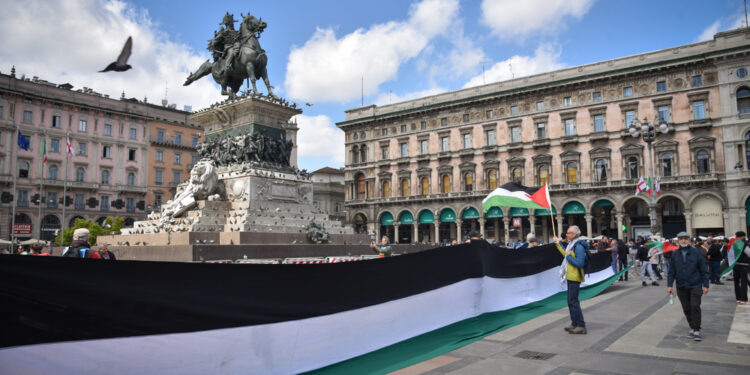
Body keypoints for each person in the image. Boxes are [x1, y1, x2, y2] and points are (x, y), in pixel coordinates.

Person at [668, 231, 709, 341]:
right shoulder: (675, 254)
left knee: (695, 306)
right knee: (686, 308)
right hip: (681, 285)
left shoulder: (696, 253)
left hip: (695, 284)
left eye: (686, 238)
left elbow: (703, 269)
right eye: (681, 239)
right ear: (678, 241)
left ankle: (696, 329)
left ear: (689, 240)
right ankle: (692, 326)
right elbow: (671, 271)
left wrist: (705, 285)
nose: (684, 240)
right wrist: (669, 285)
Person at [554, 225, 588, 335]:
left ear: (574, 234)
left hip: (575, 276)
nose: (566, 235)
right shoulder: (571, 245)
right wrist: (558, 244)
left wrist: (569, 257)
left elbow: (580, 263)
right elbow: (566, 254)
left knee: (573, 301)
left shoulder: (578, 247)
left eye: (568, 233)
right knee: (570, 301)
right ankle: (574, 323)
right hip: (570, 275)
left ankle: (581, 325)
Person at [732, 231, 748, 305]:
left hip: (735, 265)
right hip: (744, 265)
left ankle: (738, 298)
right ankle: (743, 299)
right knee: (743, 282)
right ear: (743, 237)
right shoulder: (744, 245)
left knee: (736, 282)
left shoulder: (734, 245)